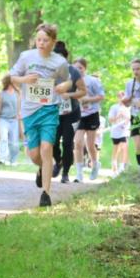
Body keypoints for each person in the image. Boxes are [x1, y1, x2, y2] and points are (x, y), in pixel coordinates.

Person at [10, 23, 73, 207]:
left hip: (49, 109)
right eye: (38, 40)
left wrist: (64, 86)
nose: (41, 43)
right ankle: (41, 168)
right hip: (29, 110)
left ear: (53, 42)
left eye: (46, 40)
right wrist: (24, 80)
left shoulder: (59, 62)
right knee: (34, 154)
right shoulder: (26, 57)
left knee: (47, 149)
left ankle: (46, 194)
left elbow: (68, 81)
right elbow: (12, 76)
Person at [50, 40, 87, 184]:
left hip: (71, 113)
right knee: (52, 141)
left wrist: (69, 95)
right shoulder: (49, 71)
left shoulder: (73, 71)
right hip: (54, 112)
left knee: (67, 143)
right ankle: (58, 161)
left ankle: (65, 172)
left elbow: (83, 91)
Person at [72, 57, 105, 182]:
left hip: (92, 114)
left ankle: (95, 164)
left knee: (90, 145)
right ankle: (79, 174)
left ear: (85, 68)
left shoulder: (93, 81)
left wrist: (88, 100)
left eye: (80, 67)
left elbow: (101, 96)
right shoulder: (71, 82)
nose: (78, 70)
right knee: (78, 142)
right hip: (78, 115)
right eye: (75, 68)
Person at [0, 74, 22, 165]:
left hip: (14, 120)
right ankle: (2, 159)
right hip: (3, 119)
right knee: (3, 139)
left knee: (14, 142)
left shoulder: (18, 93)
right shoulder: (1, 93)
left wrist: (20, 114)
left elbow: (20, 106)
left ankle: (13, 160)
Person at [108, 91, 130, 175]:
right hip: (115, 131)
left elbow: (129, 119)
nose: (121, 98)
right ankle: (114, 165)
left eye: (123, 97)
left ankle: (122, 168)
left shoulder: (128, 108)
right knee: (116, 149)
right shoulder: (114, 107)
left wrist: (125, 117)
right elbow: (110, 120)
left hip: (124, 131)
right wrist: (118, 116)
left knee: (123, 147)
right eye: (119, 97)